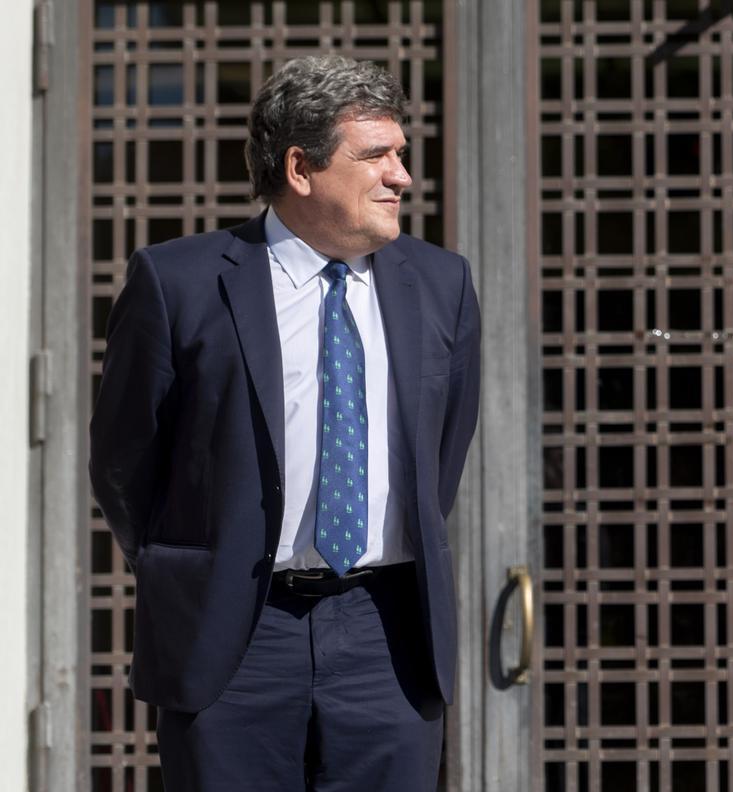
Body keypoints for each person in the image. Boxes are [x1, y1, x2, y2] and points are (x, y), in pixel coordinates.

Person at [89, 55, 480, 791]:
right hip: (233, 634)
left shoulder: (443, 284)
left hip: (385, 632)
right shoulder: (179, 282)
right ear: (301, 168)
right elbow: (123, 461)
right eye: (376, 157)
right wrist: (192, 567)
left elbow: (443, 454)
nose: (402, 177)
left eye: (402, 154)